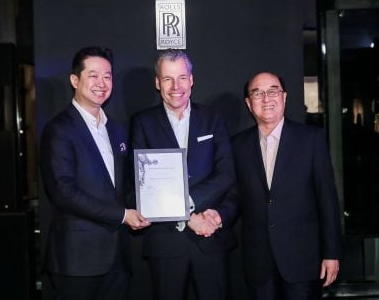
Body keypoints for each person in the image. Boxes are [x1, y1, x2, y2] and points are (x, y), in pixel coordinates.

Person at [40, 46, 150, 300]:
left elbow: (125, 186)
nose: (102, 83)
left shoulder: (117, 130)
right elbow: (63, 192)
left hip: (117, 259)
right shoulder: (59, 130)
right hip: (77, 261)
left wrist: (151, 203)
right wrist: (123, 215)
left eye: (108, 76)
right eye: (93, 75)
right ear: (74, 80)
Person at [130, 49, 237, 300]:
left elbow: (226, 173)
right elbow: (140, 183)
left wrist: (191, 205)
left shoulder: (213, 120)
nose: (175, 86)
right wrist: (188, 217)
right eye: (167, 79)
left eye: (181, 77)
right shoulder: (143, 123)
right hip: (166, 243)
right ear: (158, 83)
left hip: (210, 238)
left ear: (192, 80)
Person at [232, 72, 341, 300]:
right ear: (248, 103)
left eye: (273, 91)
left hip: (302, 259)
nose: (266, 98)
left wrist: (331, 254)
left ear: (284, 97)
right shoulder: (237, 146)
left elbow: (327, 199)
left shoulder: (311, 139)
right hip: (258, 262)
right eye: (258, 93)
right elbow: (235, 197)